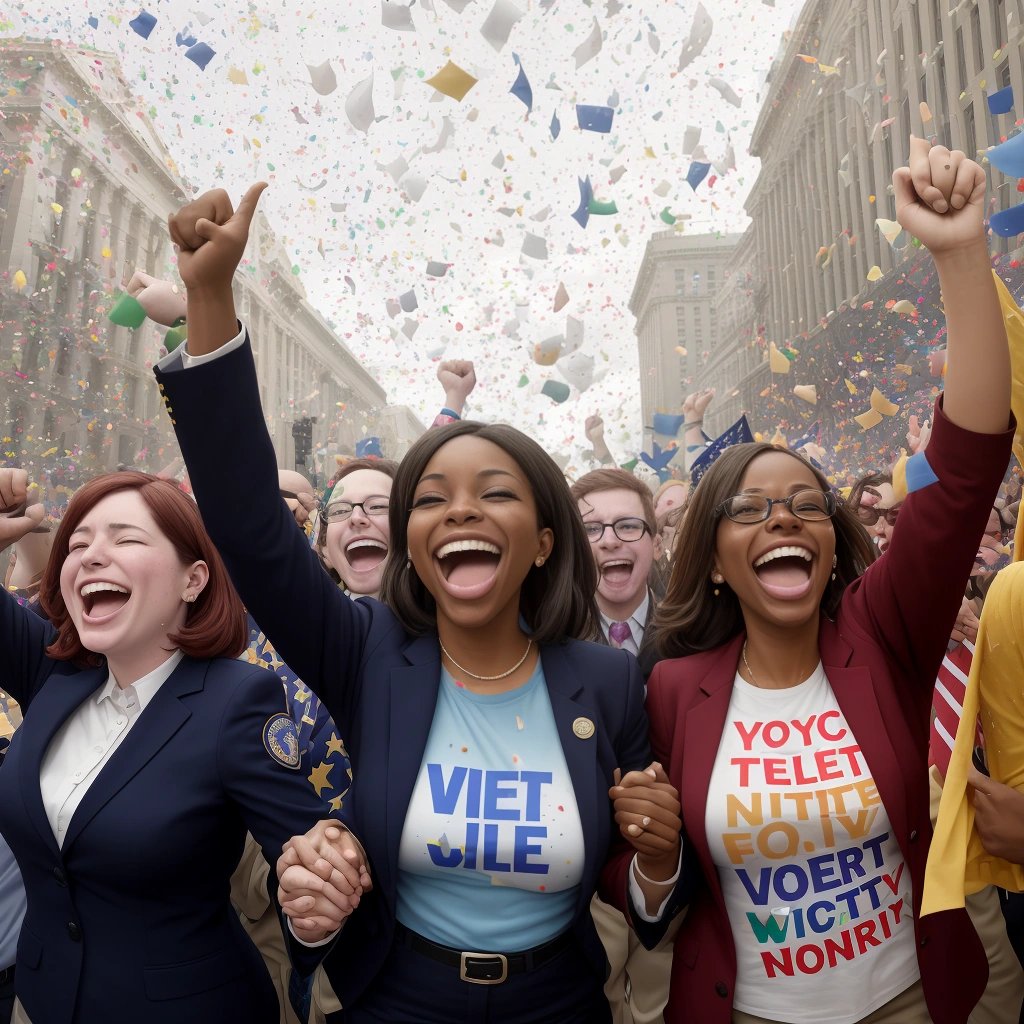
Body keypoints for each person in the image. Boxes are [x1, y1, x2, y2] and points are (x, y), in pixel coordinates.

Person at [152, 180, 652, 1023]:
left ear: (542, 541)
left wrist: (660, 858)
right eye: (430, 499)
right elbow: (247, 524)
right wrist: (209, 295)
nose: (460, 511)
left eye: (494, 493)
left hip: (560, 1000)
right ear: (413, 546)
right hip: (398, 997)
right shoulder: (368, 652)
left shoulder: (608, 684)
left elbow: (640, 886)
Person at [603, 137, 1013, 1024]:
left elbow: (971, 460)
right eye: (749, 511)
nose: (783, 519)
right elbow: (642, 890)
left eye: (805, 506)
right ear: (712, 559)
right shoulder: (671, 692)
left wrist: (958, 252)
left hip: (912, 1002)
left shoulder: (883, 634)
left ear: (833, 543)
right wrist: (652, 855)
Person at [0, 469, 362, 1024]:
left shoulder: (237, 701)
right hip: (40, 1000)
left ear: (192, 580)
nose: (93, 555)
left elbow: (305, 861)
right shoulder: (54, 673)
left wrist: (315, 903)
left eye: (125, 538)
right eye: (78, 543)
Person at [571, 467, 674, 1024]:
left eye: (629, 526)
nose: (610, 539)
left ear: (655, 544)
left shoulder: (699, 630)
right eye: (591, 529)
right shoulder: (543, 641)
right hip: (582, 887)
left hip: (679, 880)